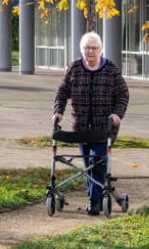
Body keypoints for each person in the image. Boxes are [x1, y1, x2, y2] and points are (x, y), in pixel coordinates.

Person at [52, 31, 129, 215]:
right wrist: (58, 111)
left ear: (101, 50)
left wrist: (117, 114)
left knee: (96, 161)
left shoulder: (111, 70)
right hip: (80, 128)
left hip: (104, 129)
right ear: (81, 50)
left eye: (94, 48)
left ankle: (94, 201)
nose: (90, 52)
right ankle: (96, 197)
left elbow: (123, 95)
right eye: (87, 48)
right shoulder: (74, 68)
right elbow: (62, 92)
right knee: (87, 164)